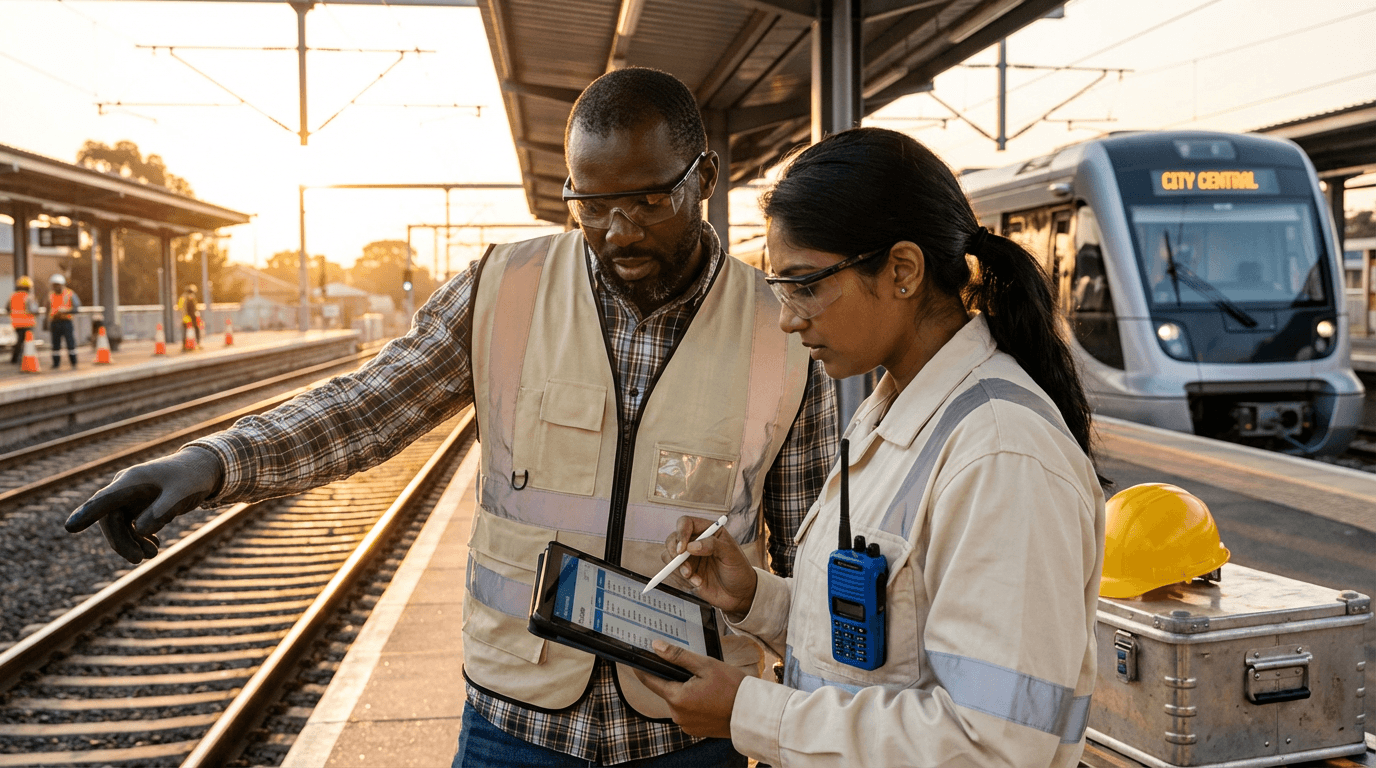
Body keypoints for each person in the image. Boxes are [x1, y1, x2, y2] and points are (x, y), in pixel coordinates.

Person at [64, 67, 837, 768]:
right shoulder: (505, 288)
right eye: (591, 206)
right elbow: (371, 406)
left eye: (647, 200)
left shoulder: (785, 327)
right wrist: (214, 462)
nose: (618, 232)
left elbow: (809, 552)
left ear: (704, 176)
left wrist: (793, 727)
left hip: (688, 729)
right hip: (515, 723)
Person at [630, 127, 1107, 768]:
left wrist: (750, 712)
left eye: (805, 284)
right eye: (780, 288)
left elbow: (990, 743)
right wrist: (756, 599)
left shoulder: (1002, 456)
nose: (788, 318)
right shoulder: (897, 411)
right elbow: (894, 643)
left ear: (902, 271)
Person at [47, 274, 80, 369]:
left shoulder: (70, 293)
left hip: (66, 322)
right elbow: (47, 308)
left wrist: (66, 311)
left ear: (62, 284)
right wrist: (46, 322)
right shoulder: (51, 294)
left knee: (70, 343)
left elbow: (77, 308)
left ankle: (74, 362)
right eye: (54, 285)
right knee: (55, 344)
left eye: (57, 285)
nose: (55, 287)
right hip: (54, 322)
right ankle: (55, 363)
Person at [8, 275, 39, 365]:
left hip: (16, 324)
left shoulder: (13, 296)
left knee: (19, 342)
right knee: (28, 343)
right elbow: (34, 310)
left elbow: (7, 308)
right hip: (28, 324)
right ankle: (28, 360)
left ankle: (15, 359)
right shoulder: (29, 297)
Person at [177, 284, 201, 348]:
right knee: (196, 329)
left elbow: (179, 307)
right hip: (190, 317)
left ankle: (184, 345)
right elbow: (193, 308)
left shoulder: (182, 297)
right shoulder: (190, 297)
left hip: (184, 317)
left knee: (185, 331)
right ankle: (197, 343)